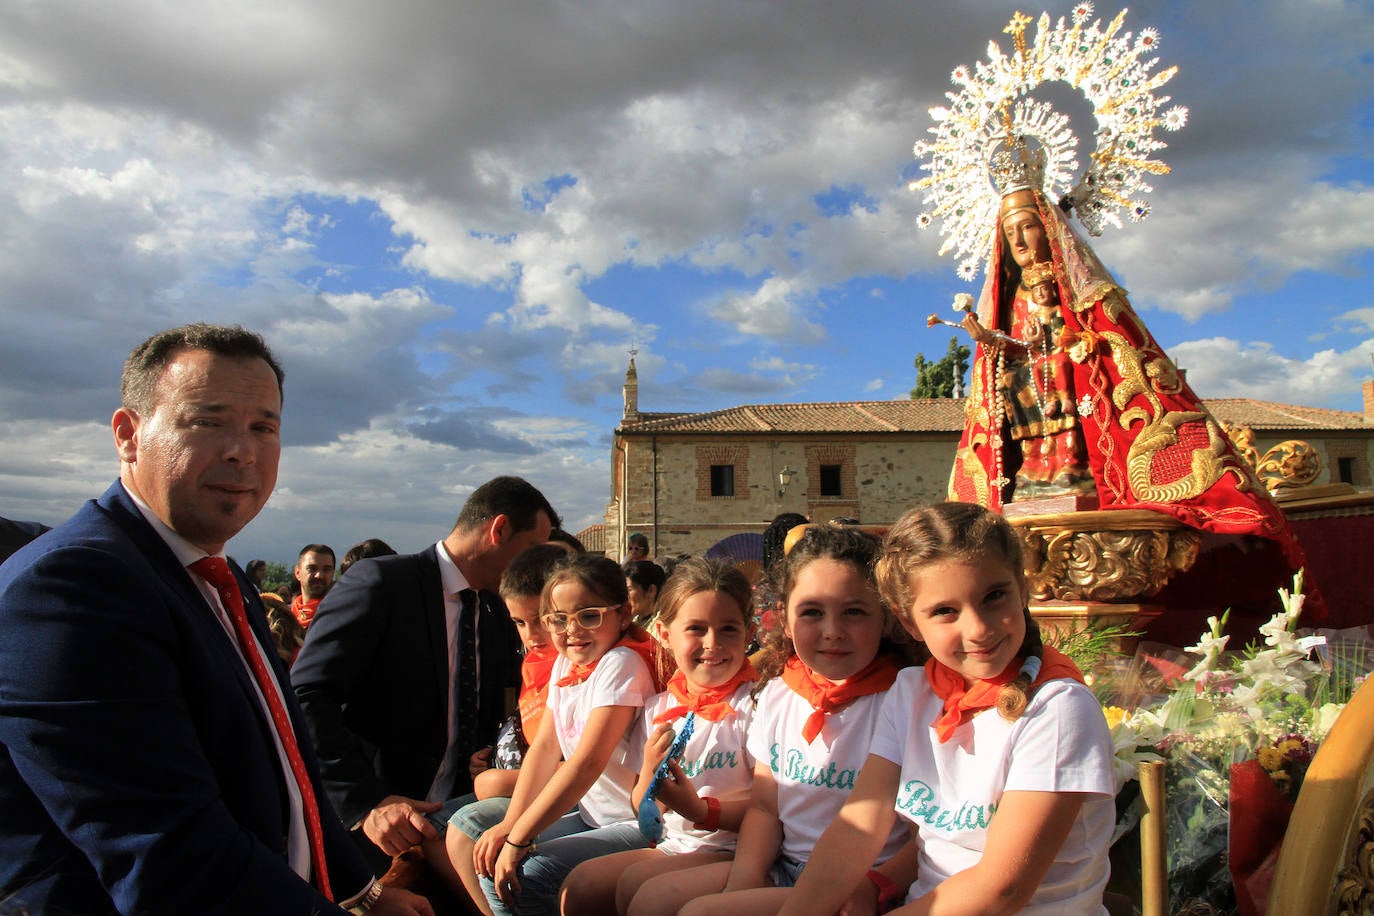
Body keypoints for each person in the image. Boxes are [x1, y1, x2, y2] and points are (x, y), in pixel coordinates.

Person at [0, 323, 429, 915]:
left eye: (264, 428)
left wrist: (367, 893)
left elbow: (291, 776)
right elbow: (168, 853)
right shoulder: (70, 589)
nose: (242, 450)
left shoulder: (214, 576)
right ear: (128, 435)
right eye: (207, 422)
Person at [779, 502, 1115, 914]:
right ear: (907, 621)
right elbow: (859, 828)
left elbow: (1001, 889)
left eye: (994, 597)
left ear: (1022, 589)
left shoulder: (1056, 708)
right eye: (945, 611)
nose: (977, 628)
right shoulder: (912, 693)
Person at [292, 477, 558, 872]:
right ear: (498, 530)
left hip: (457, 832)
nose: (535, 568)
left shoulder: (500, 612)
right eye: (533, 550)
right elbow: (305, 694)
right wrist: (366, 803)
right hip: (372, 836)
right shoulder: (381, 584)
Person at [664, 525, 923, 916]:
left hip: (864, 883)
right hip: (783, 868)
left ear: (885, 617)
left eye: (854, 612)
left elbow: (926, 836)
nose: (833, 632)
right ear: (784, 619)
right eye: (812, 613)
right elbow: (766, 810)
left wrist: (878, 884)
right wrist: (742, 884)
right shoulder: (779, 693)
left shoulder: (905, 699)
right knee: (659, 902)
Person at [465, 555, 662, 915]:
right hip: (595, 815)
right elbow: (544, 747)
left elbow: (587, 763)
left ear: (623, 614)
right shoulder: (566, 663)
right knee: (492, 857)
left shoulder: (621, 664)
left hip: (630, 822)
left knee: (530, 871)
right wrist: (512, 824)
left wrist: (519, 835)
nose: (571, 630)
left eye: (589, 615)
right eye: (558, 620)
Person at [561, 558, 759, 916]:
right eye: (696, 629)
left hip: (738, 848)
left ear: (749, 632)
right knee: (580, 887)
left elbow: (771, 811)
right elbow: (642, 806)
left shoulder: (758, 705)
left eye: (728, 629)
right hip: (675, 843)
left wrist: (701, 811)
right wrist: (651, 772)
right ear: (665, 635)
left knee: (649, 897)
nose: (712, 643)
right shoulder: (659, 709)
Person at [439, 541, 571, 914]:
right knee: (431, 829)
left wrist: (500, 786)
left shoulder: (574, 667)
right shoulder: (537, 663)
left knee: (467, 829)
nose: (531, 634)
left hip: (561, 793)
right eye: (519, 623)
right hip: (523, 780)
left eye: (540, 620)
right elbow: (533, 734)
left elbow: (585, 761)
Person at [292, 542, 337, 628]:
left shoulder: (341, 616)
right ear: (297, 572)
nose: (319, 575)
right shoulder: (285, 617)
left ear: (333, 573)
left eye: (326, 570)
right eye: (312, 569)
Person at [624, 558, 667, 627]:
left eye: (629, 590)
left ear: (651, 591)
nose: (623, 595)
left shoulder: (664, 627)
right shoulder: (632, 623)